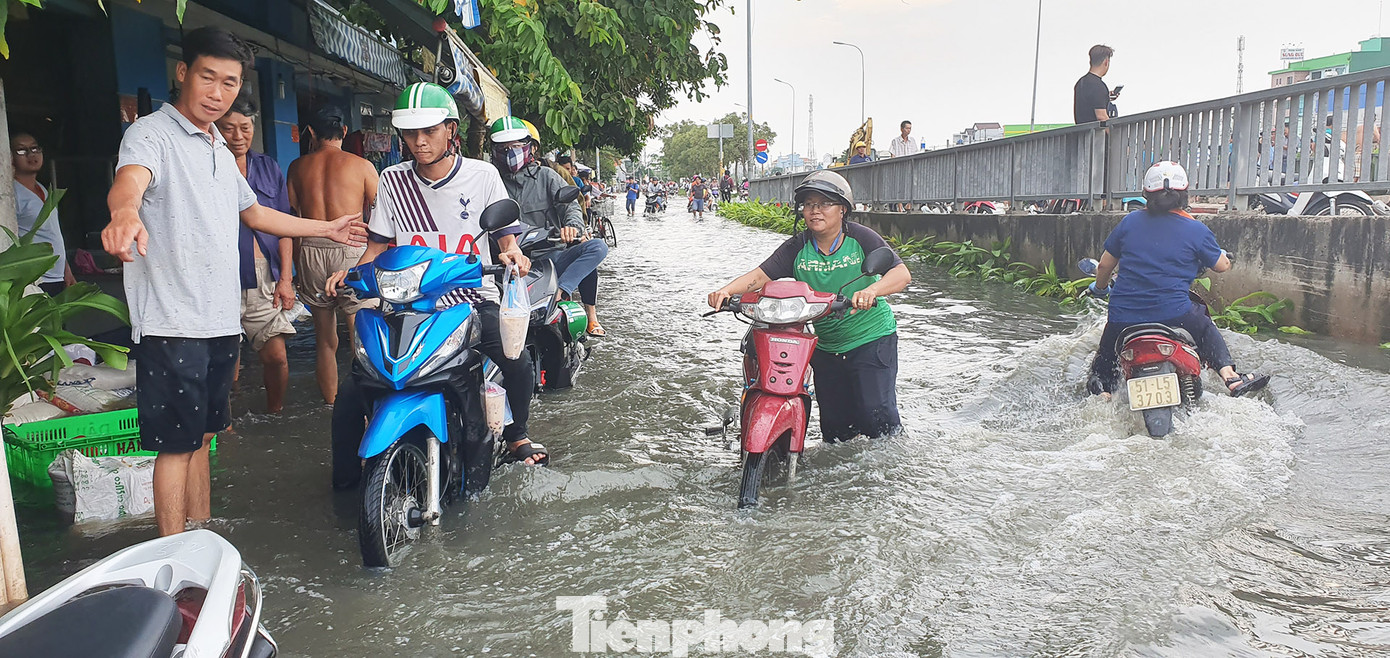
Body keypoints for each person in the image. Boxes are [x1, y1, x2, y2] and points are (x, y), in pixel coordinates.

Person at [101, 26, 367, 535]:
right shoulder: (149, 135)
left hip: (220, 317)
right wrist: (125, 213)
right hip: (173, 321)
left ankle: (201, 535)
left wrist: (327, 226)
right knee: (175, 446)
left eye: (229, 83)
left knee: (203, 436)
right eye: (208, 78)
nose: (217, 93)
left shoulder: (218, 149)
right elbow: (130, 180)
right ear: (183, 73)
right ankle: (172, 554)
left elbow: (258, 215)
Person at [325, 85, 547, 487]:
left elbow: (505, 240)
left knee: (517, 359)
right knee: (348, 396)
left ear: (450, 129)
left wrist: (512, 255)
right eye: (410, 134)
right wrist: (350, 275)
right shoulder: (392, 181)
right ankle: (347, 485)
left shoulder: (482, 176)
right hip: (408, 306)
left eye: (429, 131)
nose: (419, 142)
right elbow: (376, 247)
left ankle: (516, 434)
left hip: (472, 298)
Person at [707, 170, 911, 441]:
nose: (815, 211)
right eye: (809, 204)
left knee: (878, 416)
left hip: (871, 339)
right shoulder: (797, 246)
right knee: (835, 430)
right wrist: (726, 291)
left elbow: (901, 274)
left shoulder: (861, 238)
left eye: (825, 203)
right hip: (825, 345)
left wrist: (871, 290)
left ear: (842, 210)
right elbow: (759, 276)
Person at [1086, 161, 1270, 398]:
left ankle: (1104, 392)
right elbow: (1222, 266)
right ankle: (1230, 377)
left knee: (1106, 355)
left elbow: (1103, 265)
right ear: (1184, 194)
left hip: (1124, 317)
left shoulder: (1129, 223)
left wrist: (1100, 288)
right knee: (1205, 327)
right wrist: (1222, 255)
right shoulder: (1196, 230)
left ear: (1146, 194)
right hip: (1176, 315)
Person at [286, 105, 380, 405]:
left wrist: (296, 267)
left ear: (311, 133)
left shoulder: (297, 167)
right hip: (352, 248)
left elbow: (293, 216)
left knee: (324, 341)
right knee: (360, 334)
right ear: (343, 132)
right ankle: (367, 404)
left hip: (312, 249)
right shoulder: (361, 166)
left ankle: (331, 404)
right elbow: (382, 213)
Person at [489, 116, 608, 335]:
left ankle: (565, 295)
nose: (510, 152)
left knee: (596, 247)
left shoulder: (548, 176)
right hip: (507, 264)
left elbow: (571, 205)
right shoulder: (489, 179)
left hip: (551, 258)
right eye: (503, 148)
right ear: (493, 150)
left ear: (529, 147)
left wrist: (572, 226)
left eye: (515, 146)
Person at [214, 96, 295, 414]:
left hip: (265, 276)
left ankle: (275, 413)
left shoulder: (268, 166)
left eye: (244, 128)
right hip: (220, 277)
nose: (237, 136)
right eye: (229, 128)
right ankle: (222, 422)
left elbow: (284, 224)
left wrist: (286, 278)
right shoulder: (208, 167)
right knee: (223, 361)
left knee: (277, 357)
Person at [11, 132, 75, 295]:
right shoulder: (11, 194)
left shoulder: (43, 189)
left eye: (34, 148)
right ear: (10, 156)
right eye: (21, 150)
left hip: (56, 275)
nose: (30, 154)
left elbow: (52, 232)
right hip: (35, 278)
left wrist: (66, 269)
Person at [1074, 45, 1116, 125]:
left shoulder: (1080, 82)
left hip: (1081, 134)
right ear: (1106, 62)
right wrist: (1113, 135)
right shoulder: (1099, 86)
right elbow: (1101, 116)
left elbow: (1088, 103)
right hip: (1096, 136)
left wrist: (1106, 97)